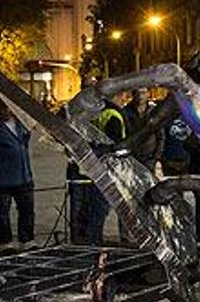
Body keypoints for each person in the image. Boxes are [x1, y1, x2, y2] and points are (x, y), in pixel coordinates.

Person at [0, 99, 36, 253]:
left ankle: (27, 240)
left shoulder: (21, 126)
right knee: (2, 213)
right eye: (2, 108)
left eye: (8, 107)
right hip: (2, 179)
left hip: (24, 177)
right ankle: (6, 244)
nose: (6, 111)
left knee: (27, 210)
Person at [67, 101, 125, 246]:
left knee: (96, 207)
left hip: (100, 170)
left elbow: (114, 145)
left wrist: (92, 151)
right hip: (83, 170)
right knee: (82, 208)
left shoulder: (111, 116)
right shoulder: (78, 115)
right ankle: (83, 240)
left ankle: (91, 240)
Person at [121, 88, 163, 172]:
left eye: (143, 93)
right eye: (137, 93)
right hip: (132, 156)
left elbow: (161, 136)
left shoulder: (154, 111)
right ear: (133, 95)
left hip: (149, 157)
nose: (140, 96)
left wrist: (156, 158)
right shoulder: (126, 112)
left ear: (148, 94)